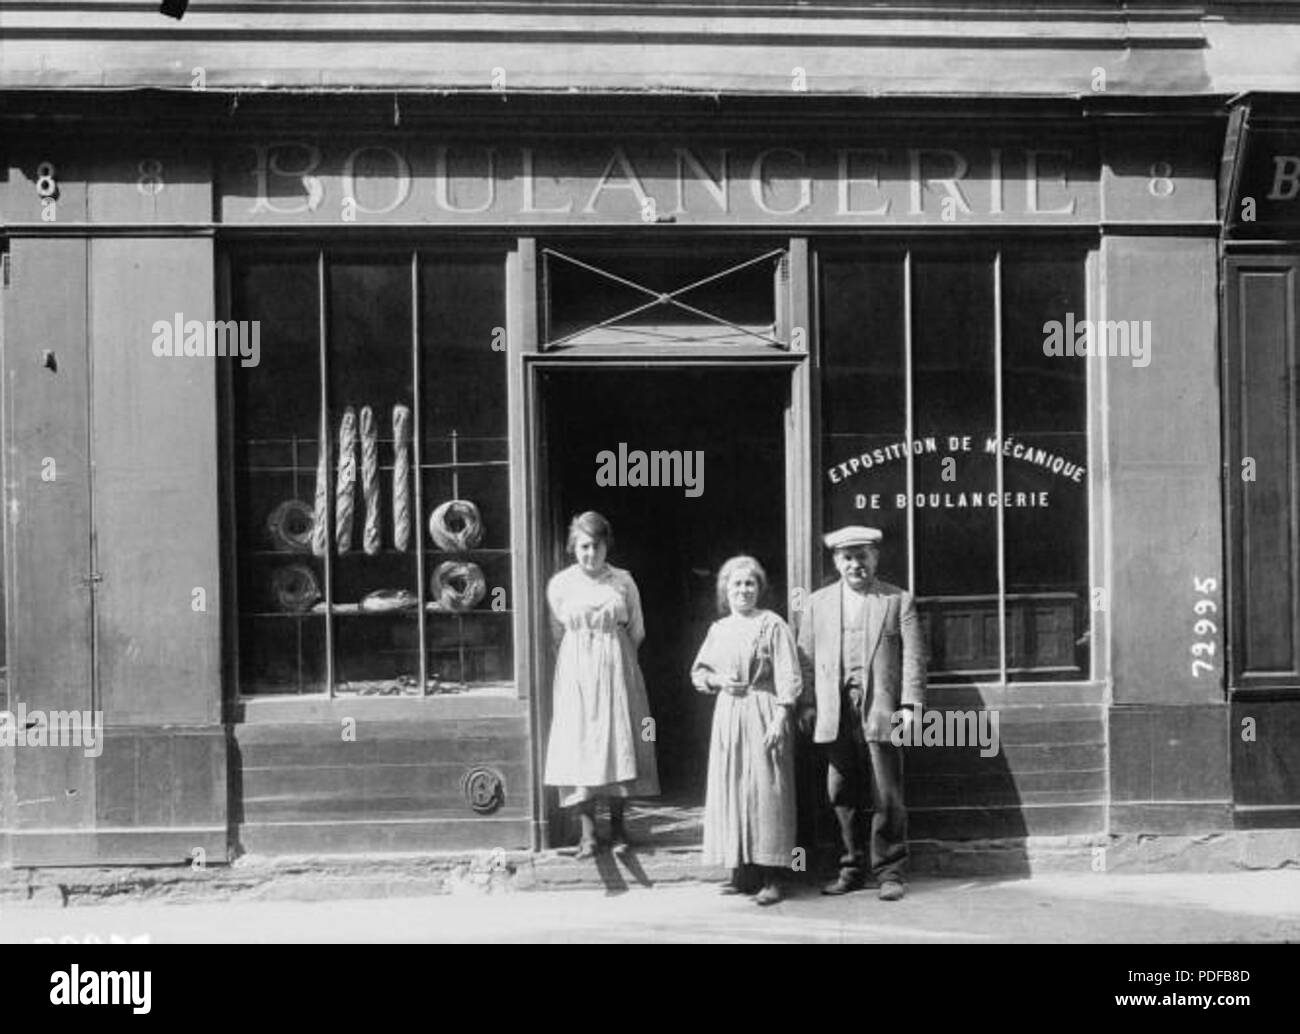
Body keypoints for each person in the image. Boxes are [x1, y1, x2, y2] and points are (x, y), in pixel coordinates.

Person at [796, 526, 926, 901]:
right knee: (839, 791)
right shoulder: (817, 603)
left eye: (862, 556)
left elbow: (915, 657)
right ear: (837, 561)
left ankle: (889, 871)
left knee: (886, 792)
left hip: (881, 708)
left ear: (875, 558)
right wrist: (806, 703)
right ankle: (850, 867)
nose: (856, 564)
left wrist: (912, 706)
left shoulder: (897, 600)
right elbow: (804, 657)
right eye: (847, 557)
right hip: (834, 710)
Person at [543, 511, 660, 858]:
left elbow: (637, 629)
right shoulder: (560, 584)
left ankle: (620, 829)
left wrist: (615, 657)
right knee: (580, 744)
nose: (589, 553)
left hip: (616, 667)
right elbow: (556, 633)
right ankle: (588, 835)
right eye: (582, 546)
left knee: (618, 741)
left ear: (606, 545)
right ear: (572, 547)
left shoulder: (622, 581)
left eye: (595, 546)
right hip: (576, 670)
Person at [691, 556, 801, 906]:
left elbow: (789, 675)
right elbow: (699, 673)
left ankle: (773, 876)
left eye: (749, 584)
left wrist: (781, 718)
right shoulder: (718, 629)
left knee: (768, 791)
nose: (743, 590)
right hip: (729, 714)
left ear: (760, 588)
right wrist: (717, 680)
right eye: (736, 584)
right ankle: (742, 873)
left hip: (764, 710)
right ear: (725, 589)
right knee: (733, 787)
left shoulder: (773, 624)